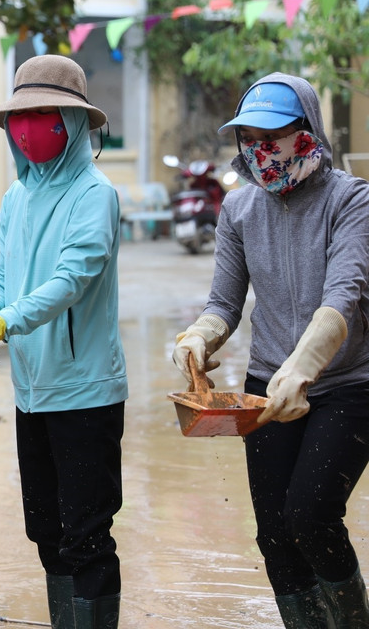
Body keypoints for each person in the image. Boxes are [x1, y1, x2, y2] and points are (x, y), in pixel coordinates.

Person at [0, 55, 128, 629]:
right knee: (45, 530)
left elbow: (70, 281)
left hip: (86, 392)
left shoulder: (95, 195)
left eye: (42, 114)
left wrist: (0, 325)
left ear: (73, 122)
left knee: (87, 534)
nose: (25, 127)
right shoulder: (16, 197)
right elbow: (6, 273)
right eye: (19, 116)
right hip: (32, 392)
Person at [172, 73, 369, 628]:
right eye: (249, 137)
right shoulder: (238, 211)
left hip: (347, 384)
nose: (261, 151)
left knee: (309, 514)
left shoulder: (352, 200)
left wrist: (304, 366)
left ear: (307, 132)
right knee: (275, 534)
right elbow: (224, 304)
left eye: (274, 135)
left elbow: (344, 297)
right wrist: (200, 337)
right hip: (266, 387)